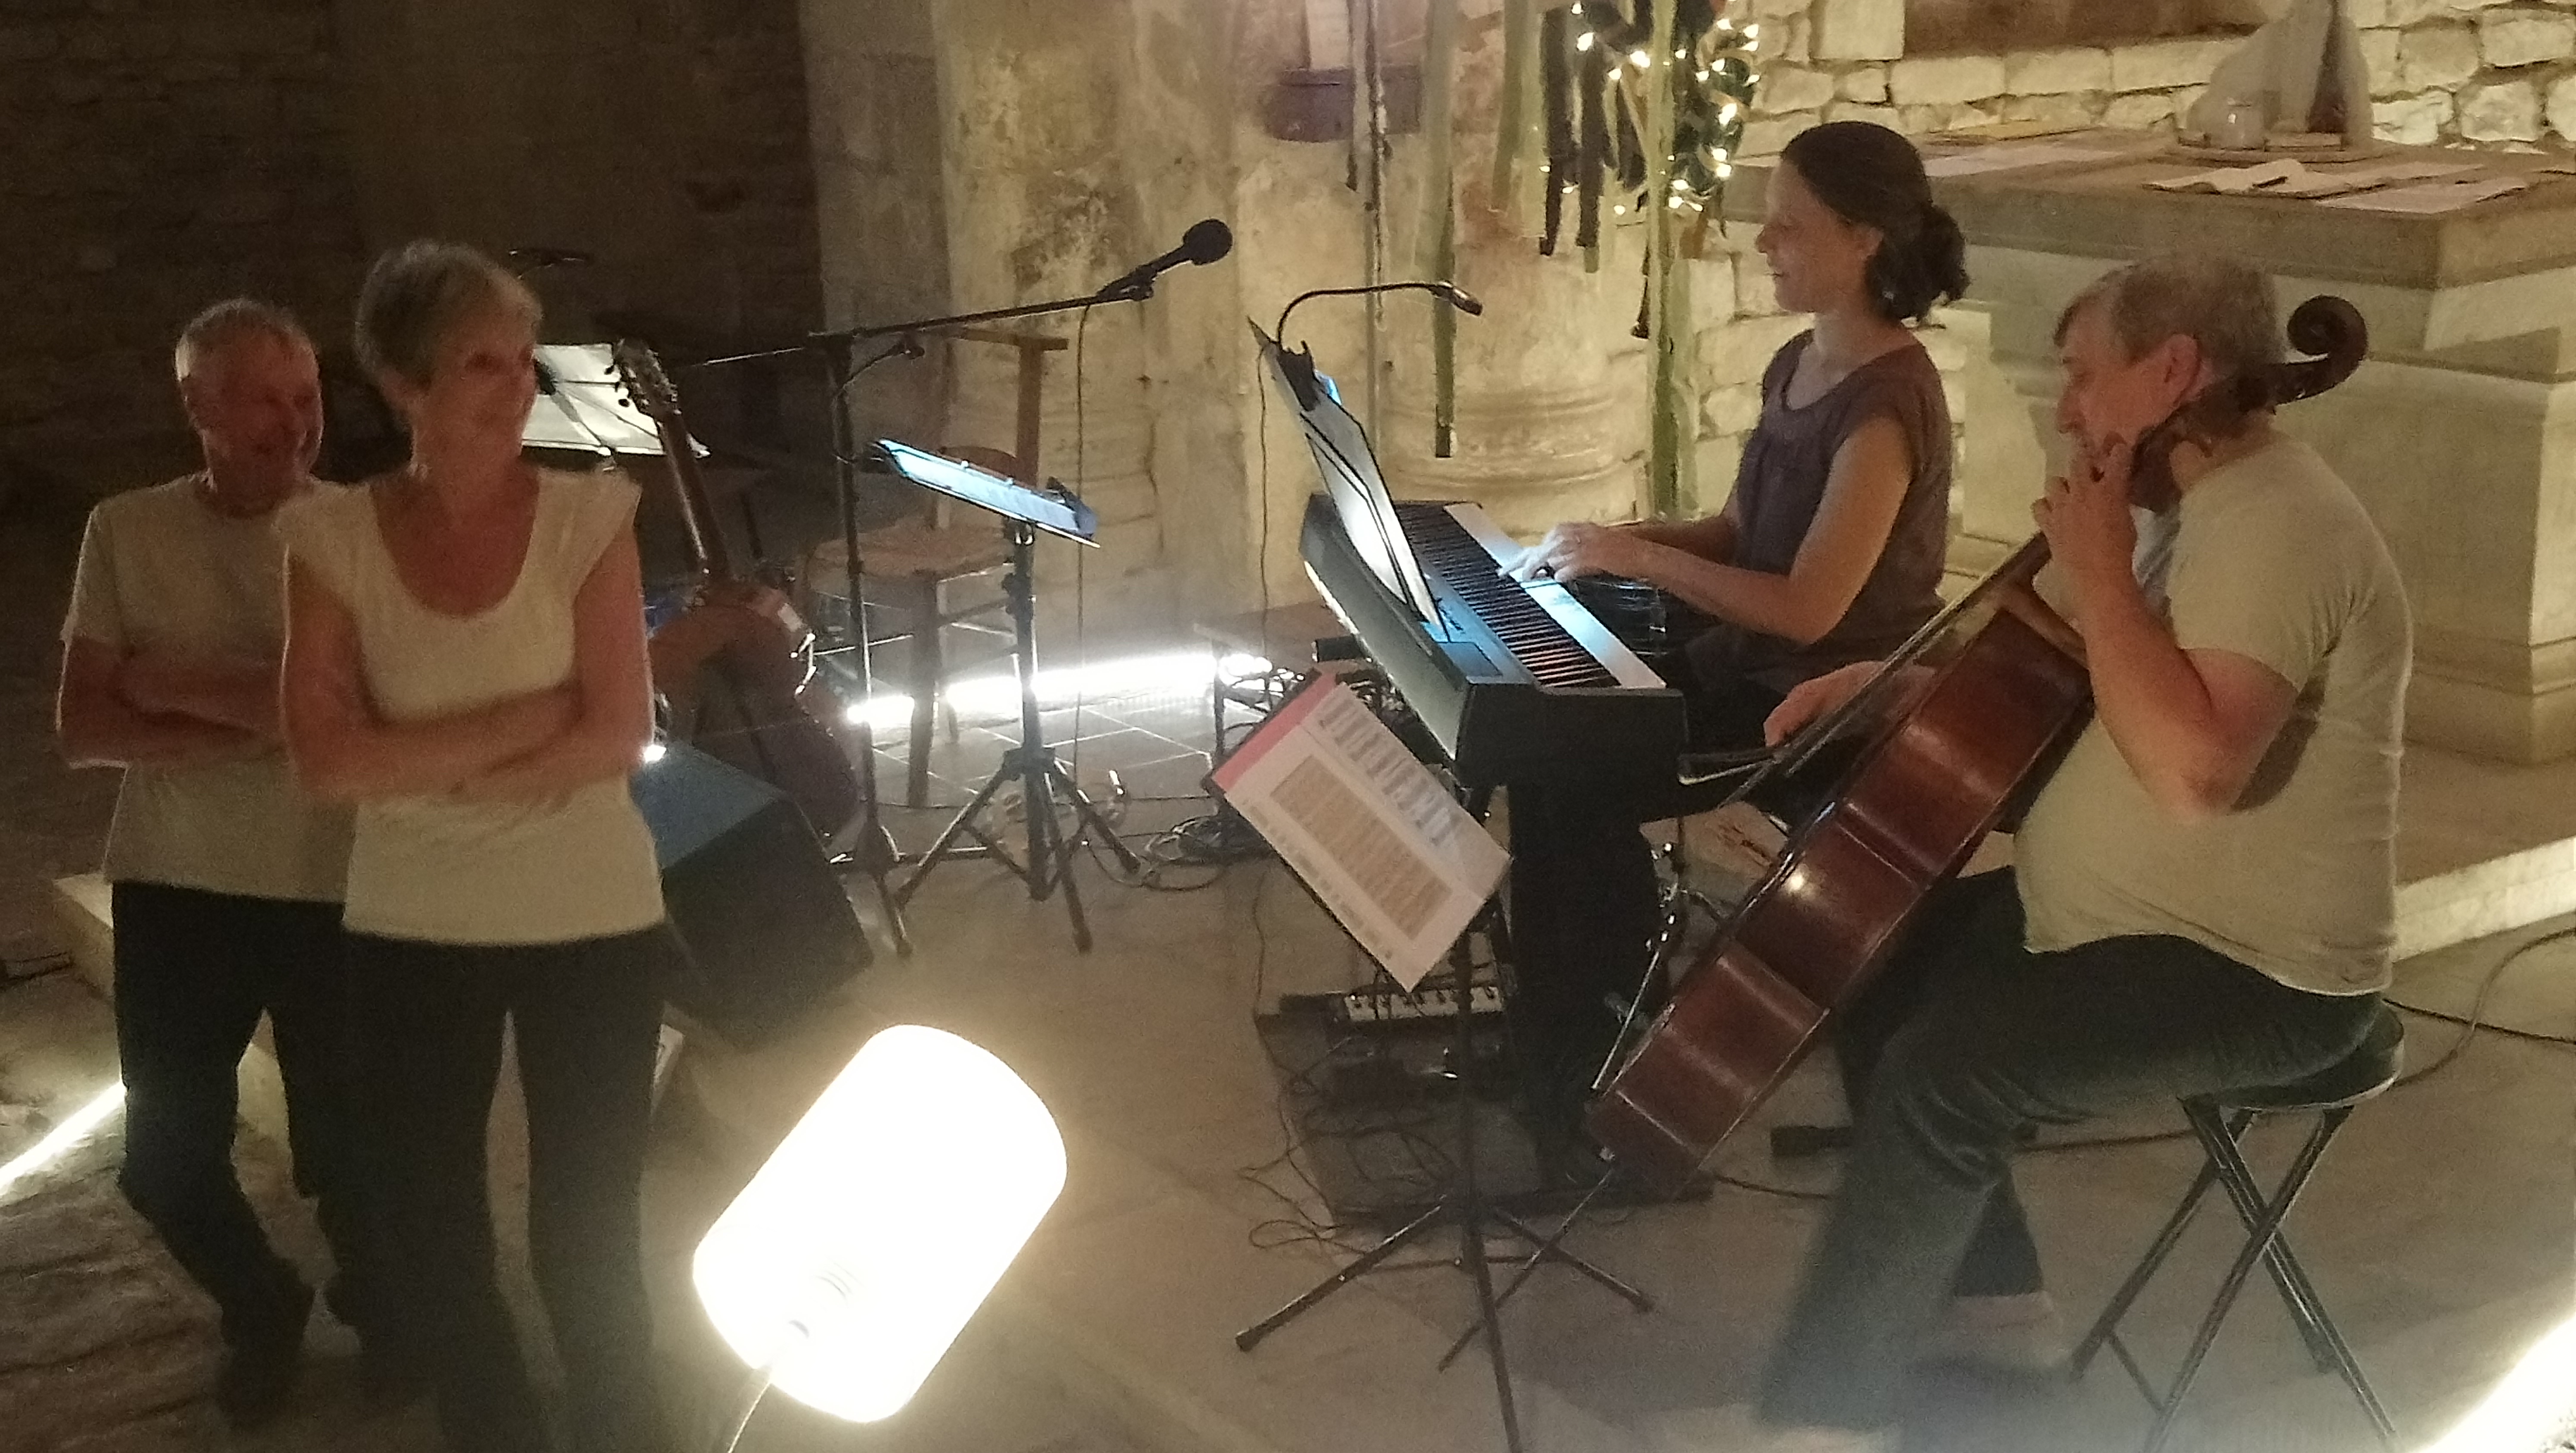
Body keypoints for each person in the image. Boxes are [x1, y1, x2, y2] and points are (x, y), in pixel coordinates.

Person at [1677, 254, 2411, 1453]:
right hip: (2114, 921)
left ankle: (1819, 1425)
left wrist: (2108, 570)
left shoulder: (2280, 525)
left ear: (2174, 370)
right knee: (1870, 956)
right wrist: (1883, 684)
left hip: (2258, 971)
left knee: (1946, 1073)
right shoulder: (2162, 502)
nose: (2067, 411)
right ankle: (1995, 1309)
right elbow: (2046, 667)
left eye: (2082, 375)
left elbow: (2192, 774)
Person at [1499, 120, 1969, 1139]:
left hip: (1819, 702)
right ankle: (1557, 1033)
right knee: (1543, 739)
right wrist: (1612, 541)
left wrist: (1640, 562)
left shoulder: (1887, 405)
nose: (1765, 242)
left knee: (1580, 776)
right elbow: (1739, 534)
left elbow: (1809, 608)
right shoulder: (1800, 361)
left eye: (1788, 224)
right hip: (1747, 664)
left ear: (1863, 241)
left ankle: (1616, 1060)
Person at [277, 241, 671, 1453]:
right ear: (404, 383)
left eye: (523, 358)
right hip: (413, 920)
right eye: (481, 364)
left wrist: (419, 765)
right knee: (430, 1225)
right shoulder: (331, 538)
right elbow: (324, 763)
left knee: (588, 1225)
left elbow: (618, 731)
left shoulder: (590, 517)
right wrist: (523, 723)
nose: (517, 386)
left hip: (591, 912)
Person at [55, 300, 385, 1427]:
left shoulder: (355, 531)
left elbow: (354, 714)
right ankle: (262, 1304)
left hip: (331, 880)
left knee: (355, 1153)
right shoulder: (125, 529)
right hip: (177, 881)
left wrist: (163, 681)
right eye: (264, 400)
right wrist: (275, 711)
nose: (295, 424)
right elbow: (84, 727)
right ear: (196, 404)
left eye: (307, 396)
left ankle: (387, 1313)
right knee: (164, 1160)